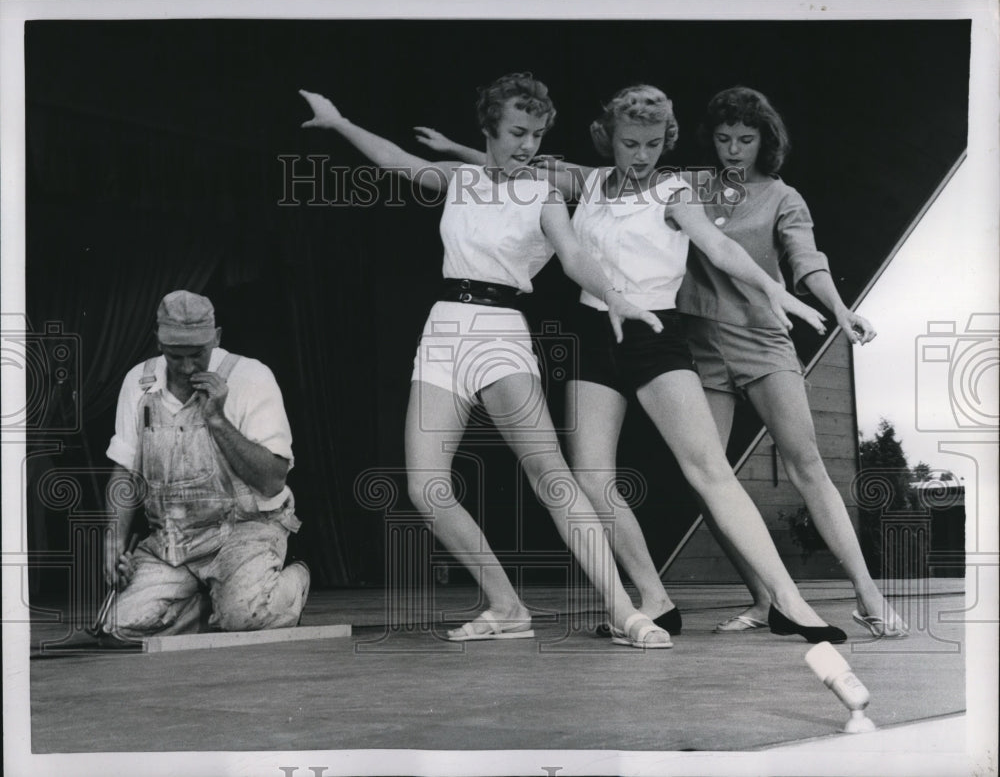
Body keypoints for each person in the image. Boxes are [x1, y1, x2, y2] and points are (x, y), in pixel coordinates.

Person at [415, 85, 849, 644]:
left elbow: (719, 251)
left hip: (654, 336)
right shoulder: (589, 181)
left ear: (665, 141)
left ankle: (789, 602)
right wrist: (455, 144)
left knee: (708, 471)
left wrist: (772, 287)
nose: (641, 155)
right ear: (608, 139)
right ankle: (654, 598)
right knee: (593, 481)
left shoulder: (673, 191)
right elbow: (508, 166)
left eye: (652, 143)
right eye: (629, 143)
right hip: (595, 338)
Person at [299, 73, 674, 647]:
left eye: (537, 133)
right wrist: (338, 121)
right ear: (490, 130)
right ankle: (506, 605)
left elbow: (573, 254)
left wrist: (616, 296)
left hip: (502, 334)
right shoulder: (461, 180)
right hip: (444, 331)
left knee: (551, 477)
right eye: (517, 132)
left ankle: (626, 611)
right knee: (426, 488)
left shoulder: (543, 193)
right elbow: (397, 161)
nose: (528, 145)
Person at [674, 86, 907, 638]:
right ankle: (766, 600)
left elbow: (806, 261)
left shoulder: (783, 197)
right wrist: (484, 161)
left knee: (808, 468)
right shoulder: (688, 187)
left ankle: (868, 597)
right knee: (706, 479)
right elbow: (596, 176)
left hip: (763, 341)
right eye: (725, 139)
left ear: (765, 141)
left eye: (746, 140)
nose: (734, 150)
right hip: (700, 344)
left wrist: (840, 309)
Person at [102, 290, 310, 642]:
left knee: (249, 618)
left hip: (243, 533)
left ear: (216, 337)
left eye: (197, 355)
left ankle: (293, 579)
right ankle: (213, 601)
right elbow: (125, 472)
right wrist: (113, 542)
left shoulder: (251, 377)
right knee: (120, 627)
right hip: (172, 540)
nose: (186, 368)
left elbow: (273, 482)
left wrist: (218, 420)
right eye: (174, 356)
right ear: (158, 342)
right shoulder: (139, 384)